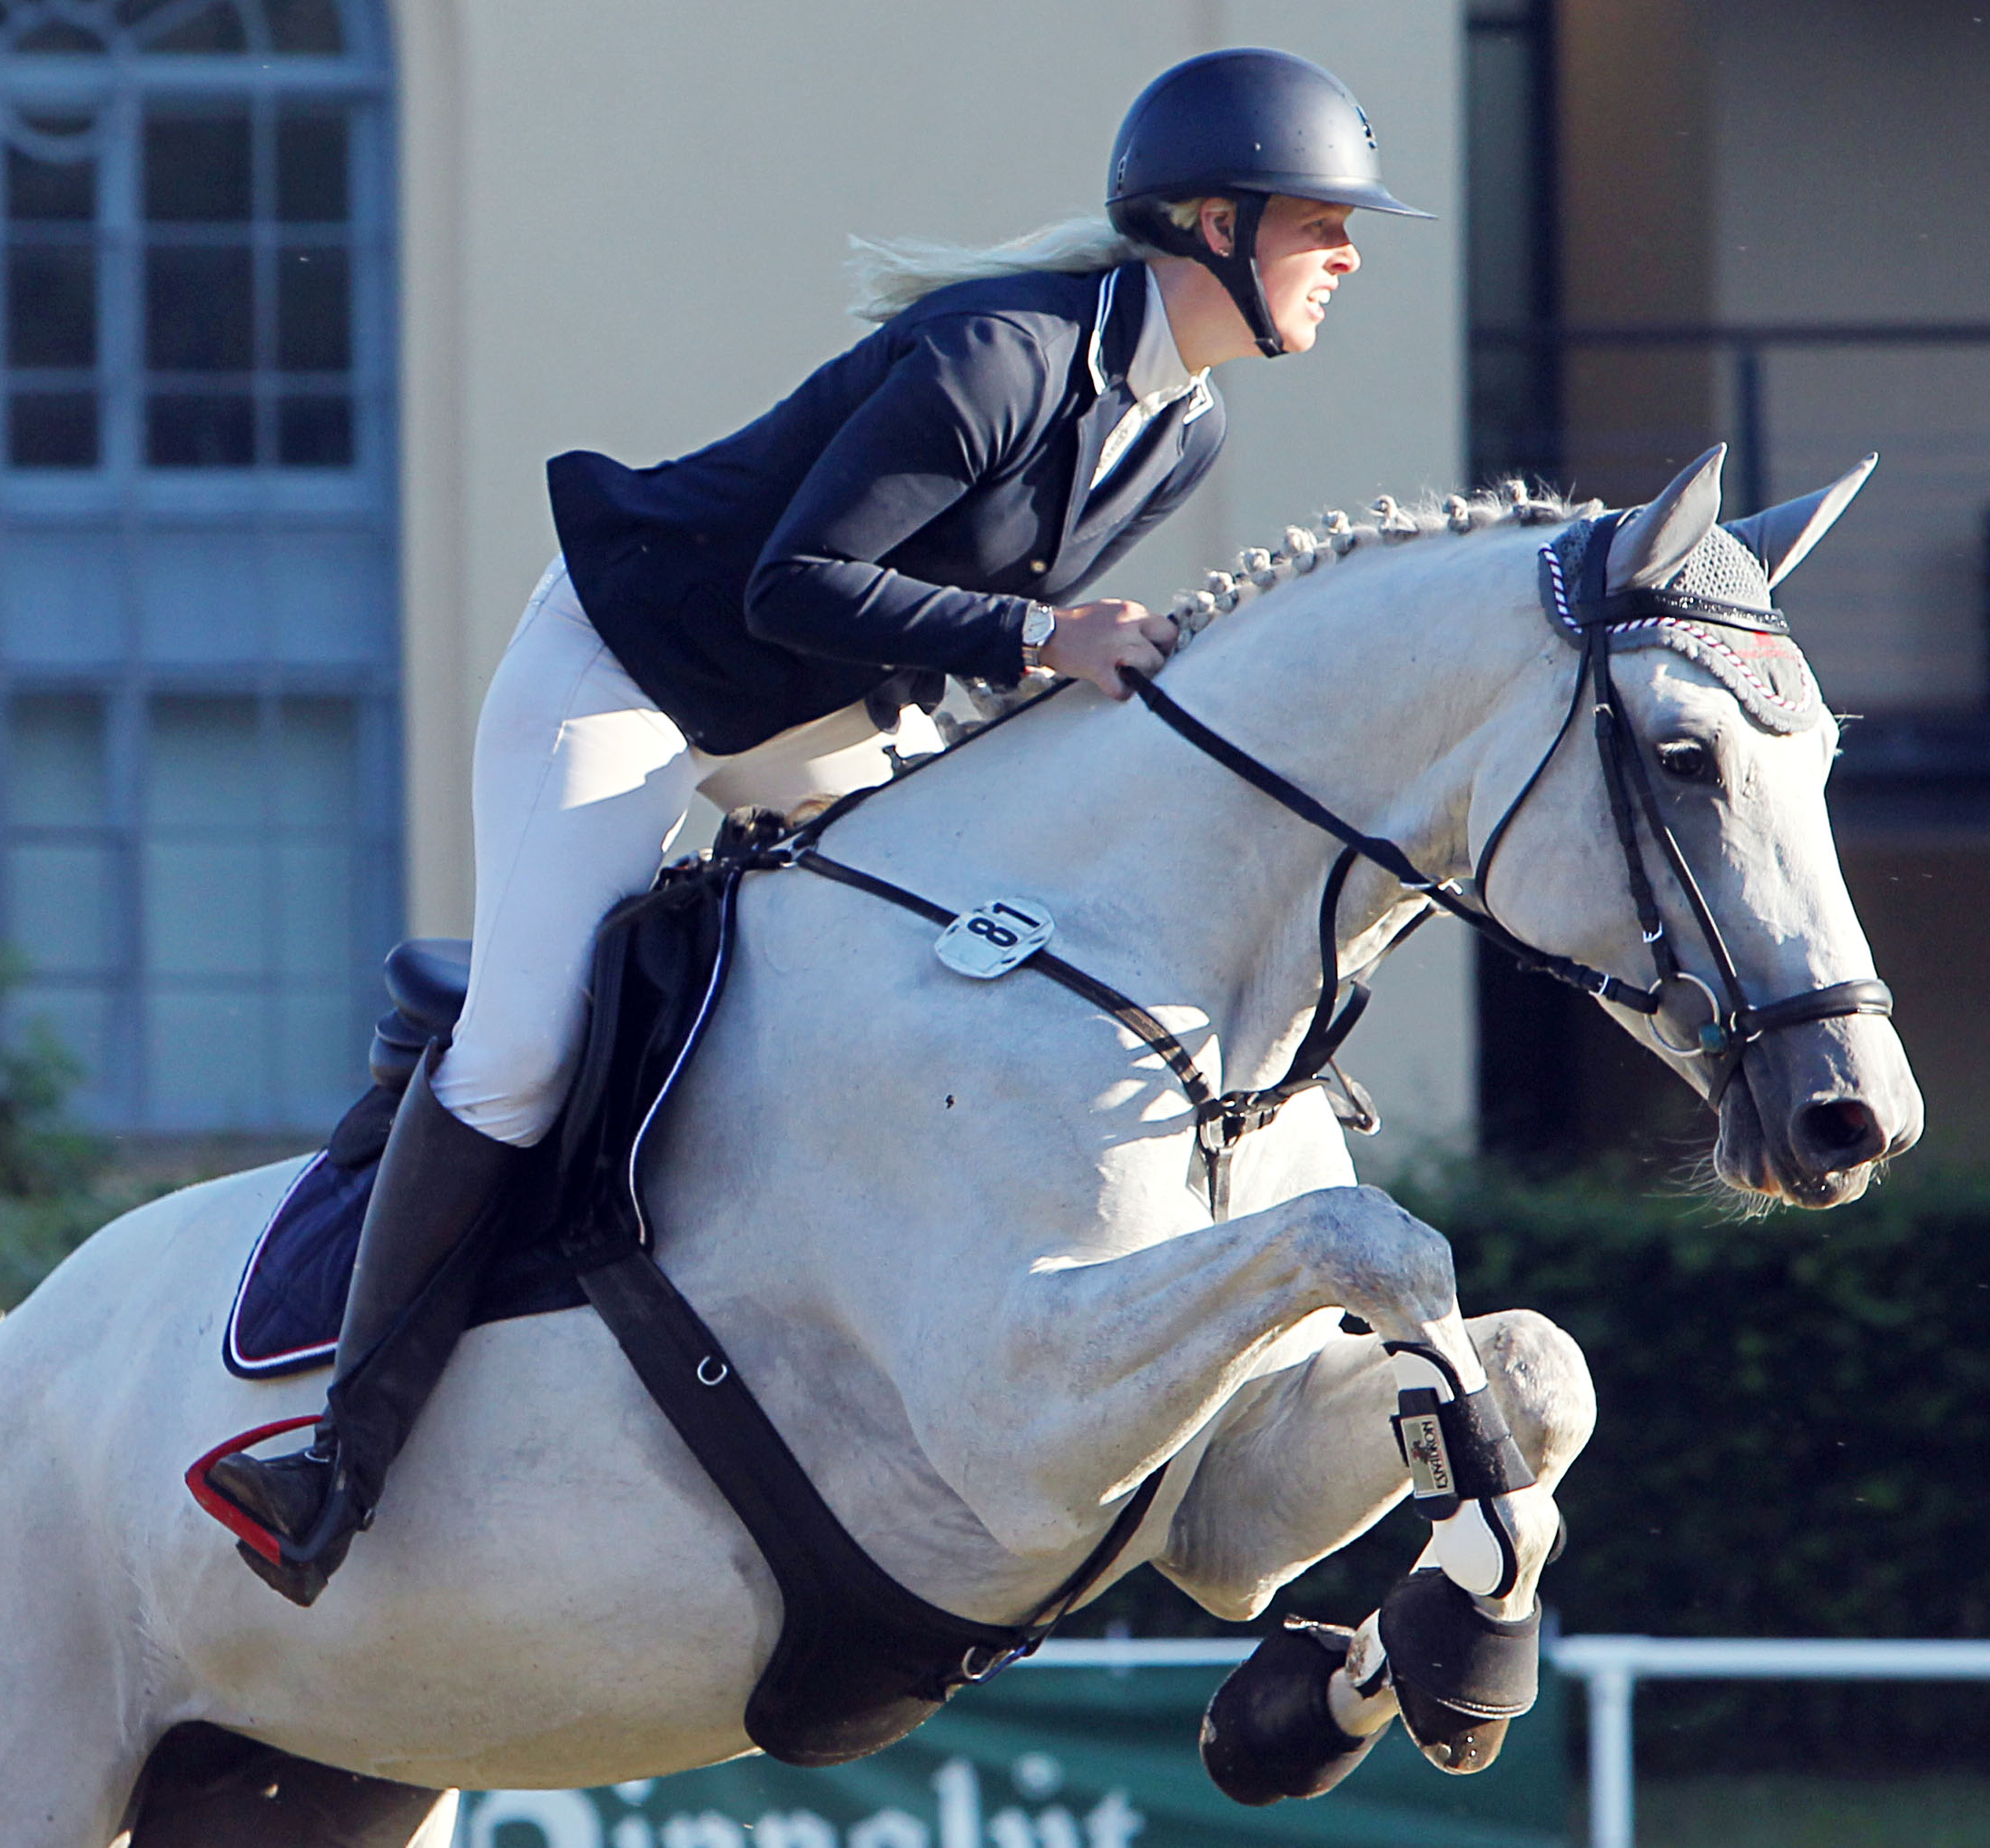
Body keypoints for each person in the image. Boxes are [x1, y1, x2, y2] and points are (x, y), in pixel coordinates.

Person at [207, 47, 1430, 1600]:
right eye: (1321, 223)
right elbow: (799, 584)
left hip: (816, 712)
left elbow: (950, 628)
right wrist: (1051, 643)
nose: (1349, 255)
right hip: (635, 667)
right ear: (1208, 224)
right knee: (519, 1047)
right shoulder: (995, 353)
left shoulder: (1182, 431)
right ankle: (336, 1460)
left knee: (951, 966)